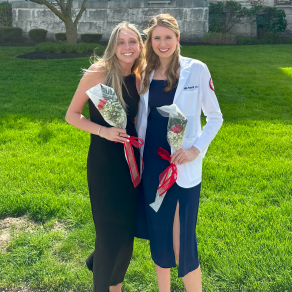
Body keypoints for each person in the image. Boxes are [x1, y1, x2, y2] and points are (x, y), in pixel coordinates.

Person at [135, 14, 223, 292]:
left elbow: (216, 117)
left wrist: (196, 149)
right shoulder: (144, 73)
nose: (162, 43)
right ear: (150, 41)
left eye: (168, 37)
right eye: (156, 38)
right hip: (152, 164)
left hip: (182, 164)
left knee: (183, 239)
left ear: (178, 38)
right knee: (158, 233)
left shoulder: (197, 70)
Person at [65, 22, 144, 292]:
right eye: (121, 42)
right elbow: (71, 115)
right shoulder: (97, 73)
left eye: (132, 42)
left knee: (126, 232)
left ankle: (102, 270)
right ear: (112, 46)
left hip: (132, 159)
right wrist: (103, 131)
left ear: (140, 46)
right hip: (105, 162)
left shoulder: (139, 75)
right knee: (111, 233)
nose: (127, 47)